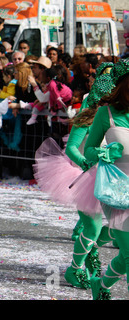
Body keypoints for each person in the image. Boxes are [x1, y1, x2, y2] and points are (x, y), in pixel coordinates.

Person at [33, 63, 117, 290]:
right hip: (86, 175)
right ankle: (75, 268)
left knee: (115, 226)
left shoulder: (119, 113)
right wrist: (88, 163)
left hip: (114, 176)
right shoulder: (90, 112)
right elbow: (71, 148)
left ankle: (89, 252)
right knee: (92, 226)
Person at [85, 59, 129, 300]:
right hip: (118, 191)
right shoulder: (106, 113)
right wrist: (103, 153)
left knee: (125, 256)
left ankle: (100, 285)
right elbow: (89, 149)